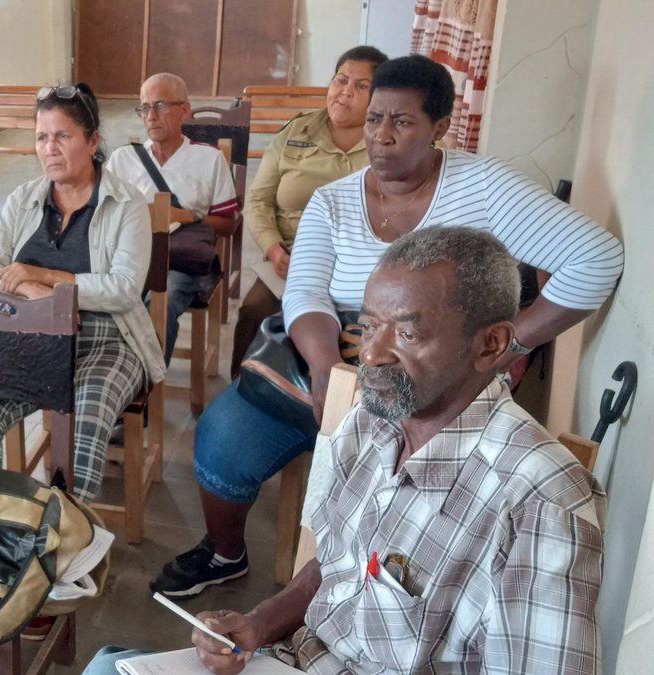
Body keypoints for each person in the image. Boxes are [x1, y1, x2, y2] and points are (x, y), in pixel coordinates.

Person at [150, 54, 623, 598]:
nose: (381, 135)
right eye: (375, 119)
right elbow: (305, 291)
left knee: (399, 491)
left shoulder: (484, 188)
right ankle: (226, 552)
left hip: (438, 374)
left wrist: (509, 342)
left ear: (439, 128)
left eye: (402, 122)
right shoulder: (333, 202)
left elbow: (596, 259)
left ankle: (371, 587)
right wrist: (327, 368)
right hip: (337, 356)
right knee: (223, 437)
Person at [87, 227, 607, 674]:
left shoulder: (541, 501)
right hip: (295, 659)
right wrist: (255, 624)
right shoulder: (370, 423)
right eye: (370, 325)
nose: (373, 354)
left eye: (406, 332)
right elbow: (339, 566)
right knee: (108, 665)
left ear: (491, 345)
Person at [0, 82, 165, 504]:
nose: (49, 148)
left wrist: (43, 276)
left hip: (109, 340)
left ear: (92, 141)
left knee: (83, 418)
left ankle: (62, 546)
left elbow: (124, 290)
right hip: (31, 336)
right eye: (41, 136)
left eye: (62, 136)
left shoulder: (126, 205)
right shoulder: (24, 200)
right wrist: (32, 291)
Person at [230, 46, 388, 378]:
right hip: (291, 261)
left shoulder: (389, 142)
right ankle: (245, 390)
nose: (345, 92)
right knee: (254, 310)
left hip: (361, 266)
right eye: (341, 80)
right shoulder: (295, 133)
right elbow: (258, 201)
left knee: (365, 335)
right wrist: (273, 250)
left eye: (361, 86)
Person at [104, 72, 238, 361]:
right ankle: (114, 373)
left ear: (184, 110)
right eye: (144, 107)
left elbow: (228, 225)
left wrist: (190, 216)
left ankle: (146, 390)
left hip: (181, 261)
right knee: (101, 302)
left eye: (161, 105)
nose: (151, 116)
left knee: (160, 303)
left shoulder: (209, 158)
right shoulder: (123, 159)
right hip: (129, 258)